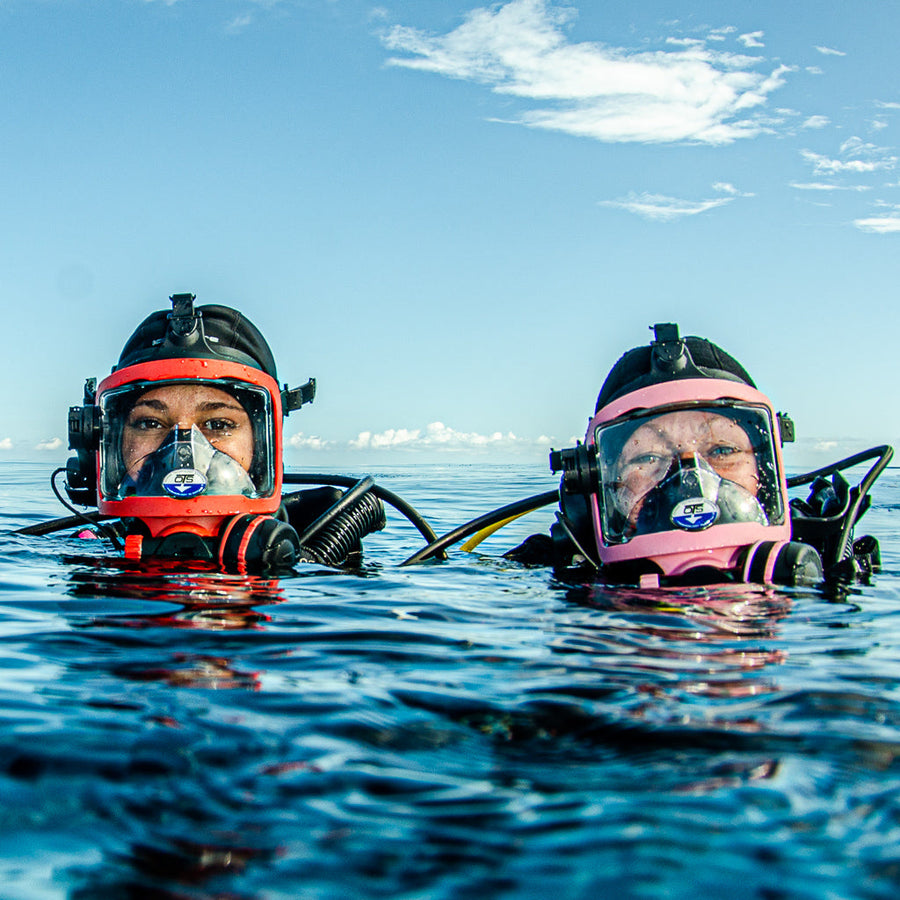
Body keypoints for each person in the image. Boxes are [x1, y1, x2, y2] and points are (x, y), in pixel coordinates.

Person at [506, 323, 889, 588]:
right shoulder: (554, 577)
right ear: (597, 480)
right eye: (648, 458)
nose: (692, 480)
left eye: (722, 450)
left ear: (765, 470)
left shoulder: (832, 572)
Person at [63, 293, 386, 571]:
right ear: (107, 444)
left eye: (219, 424)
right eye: (150, 423)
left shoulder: (324, 540)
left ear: (263, 444)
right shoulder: (88, 549)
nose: (185, 453)